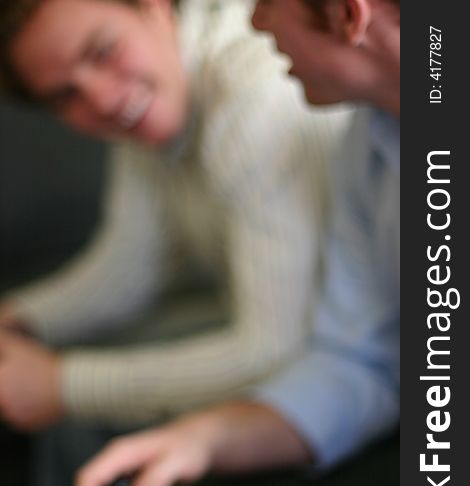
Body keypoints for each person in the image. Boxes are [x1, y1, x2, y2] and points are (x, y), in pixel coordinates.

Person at [71, 0, 401, 486]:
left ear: (348, 15)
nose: (254, 23)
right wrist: (207, 437)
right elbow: (365, 363)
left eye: (267, 2)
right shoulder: (372, 137)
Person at [0, 0, 347, 429]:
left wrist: (64, 385)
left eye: (102, 51)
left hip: (348, 359)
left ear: (156, 7)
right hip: (299, 335)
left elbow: (274, 350)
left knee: (86, 415)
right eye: (65, 95)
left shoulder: (251, 100)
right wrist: (18, 320)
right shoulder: (153, 105)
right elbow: (129, 271)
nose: (104, 100)